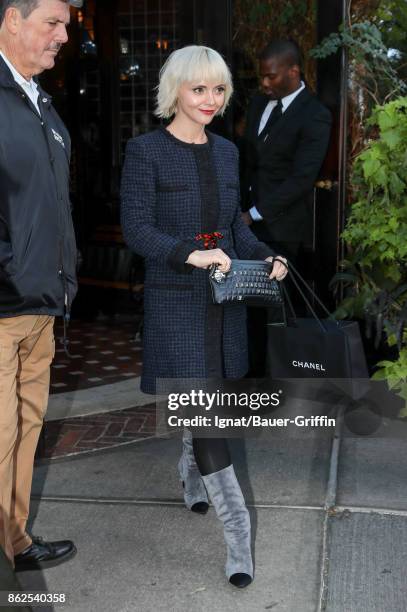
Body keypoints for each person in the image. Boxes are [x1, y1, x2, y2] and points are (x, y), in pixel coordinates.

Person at [121, 45, 288, 588]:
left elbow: (235, 229)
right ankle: (238, 539)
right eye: (199, 89)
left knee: (207, 402)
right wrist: (191, 253)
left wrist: (266, 256)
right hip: (176, 300)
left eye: (218, 89)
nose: (211, 99)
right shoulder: (145, 151)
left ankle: (192, 479)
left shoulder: (226, 152)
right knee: (209, 416)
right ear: (176, 92)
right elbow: (138, 230)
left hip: (223, 304)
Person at [0, 0, 79, 570]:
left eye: (65, 27)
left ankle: (14, 540)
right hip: (4, 304)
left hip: (43, 303)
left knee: (27, 428)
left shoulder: (43, 105)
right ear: (11, 19)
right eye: (51, 23)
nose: (62, 36)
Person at [241, 39, 332, 375]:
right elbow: (250, 162)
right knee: (249, 312)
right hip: (246, 226)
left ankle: (282, 390)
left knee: (279, 313)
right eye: (261, 77)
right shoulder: (256, 104)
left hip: (282, 230)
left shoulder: (315, 114)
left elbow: (300, 179)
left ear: (293, 72)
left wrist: (252, 214)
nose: (264, 83)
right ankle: (250, 383)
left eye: (271, 76)